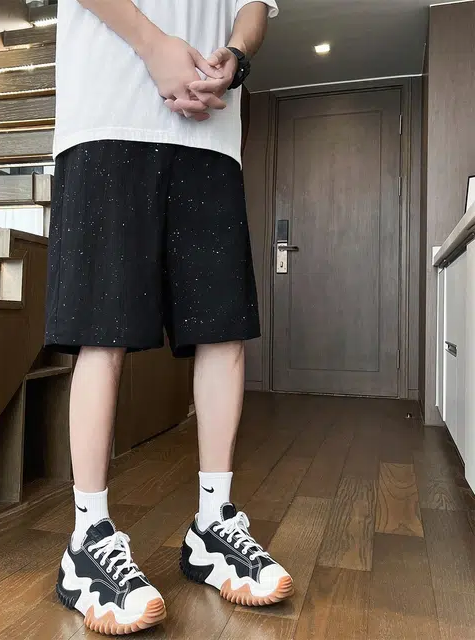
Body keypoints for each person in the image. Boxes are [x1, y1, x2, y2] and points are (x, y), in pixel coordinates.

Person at [46, 0, 292, 634]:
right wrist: (153, 44)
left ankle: (213, 525)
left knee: (223, 330)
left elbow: (255, 8)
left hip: (212, 136)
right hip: (107, 117)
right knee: (100, 333)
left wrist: (236, 57)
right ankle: (87, 539)